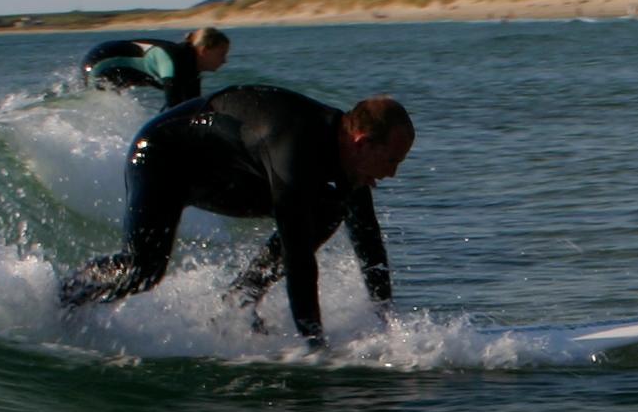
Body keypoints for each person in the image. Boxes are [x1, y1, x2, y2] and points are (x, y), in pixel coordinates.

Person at [59, 88, 412, 341]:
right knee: (144, 269)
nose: (392, 174)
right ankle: (66, 296)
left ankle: (239, 299)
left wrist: (385, 319)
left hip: (225, 173)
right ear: (362, 142)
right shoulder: (295, 148)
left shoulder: (347, 163)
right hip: (162, 157)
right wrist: (315, 344)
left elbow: (368, 239)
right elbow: (298, 256)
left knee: (331, 208)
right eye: (391, 161)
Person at [82, 27, 230, 106]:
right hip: (100, 62)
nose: (225, 61)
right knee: (104, 109)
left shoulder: (192, 71)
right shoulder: (174, 59)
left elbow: (192, 107)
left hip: (117, 67)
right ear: (204, 51)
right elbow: (174, 104)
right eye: (221, 54)